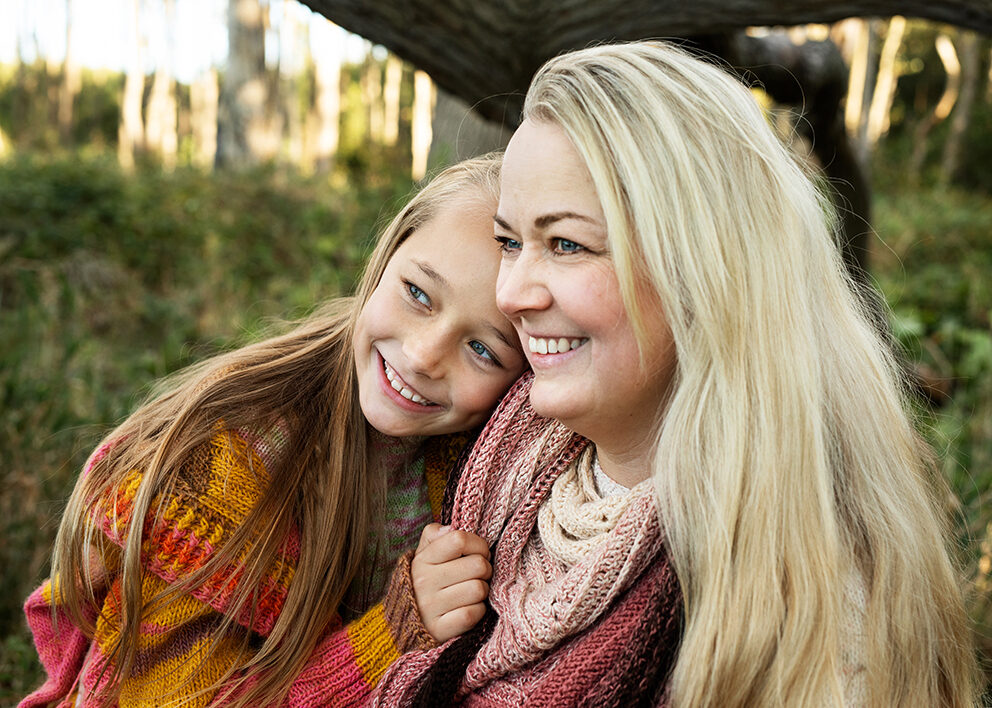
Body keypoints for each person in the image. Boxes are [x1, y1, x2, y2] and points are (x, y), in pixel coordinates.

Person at [370, 42, 979, 706]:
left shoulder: (807, 610)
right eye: (510, 242)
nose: (512, 292)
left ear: (702, 270)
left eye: (567, 244)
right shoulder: (491, 449)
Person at [21, 153, 526, 707]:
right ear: (386, 258)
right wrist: (391, 633)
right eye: (418, 294)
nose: (426, 356)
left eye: (482, 349)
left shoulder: (472, 451)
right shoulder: (230, 461)